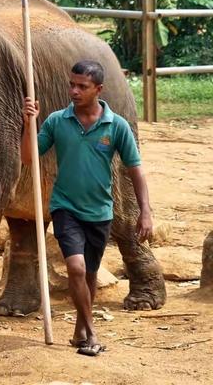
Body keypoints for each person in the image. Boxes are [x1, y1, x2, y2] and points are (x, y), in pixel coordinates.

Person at [21, 60, 153, 357]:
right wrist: (29, 123)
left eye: (82, 86)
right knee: (76, 268)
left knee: (90, 274)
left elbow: (135, 170)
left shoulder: (115, 126)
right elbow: (29, 157)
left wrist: (145, 210)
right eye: (72, 84)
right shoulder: (56, 121)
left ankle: (80, 327)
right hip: (65, 206)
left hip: (100, 211)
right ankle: (91, 334)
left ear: (98, 89)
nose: (74, 91)